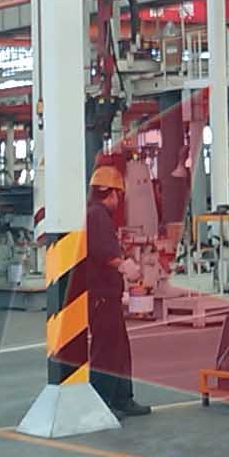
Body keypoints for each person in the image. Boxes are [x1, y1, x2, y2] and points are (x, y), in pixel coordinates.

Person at [85, 165, 149, 418]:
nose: (119, 200)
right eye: (119, 195)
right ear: (112, 193)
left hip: (107, 296)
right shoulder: (97, 215)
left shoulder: (96, 215)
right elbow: (103, 251)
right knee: (106, 350)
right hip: (101, 296)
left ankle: (123, 398)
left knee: (119, 349)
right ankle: (101, 401)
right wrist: (124, 266)